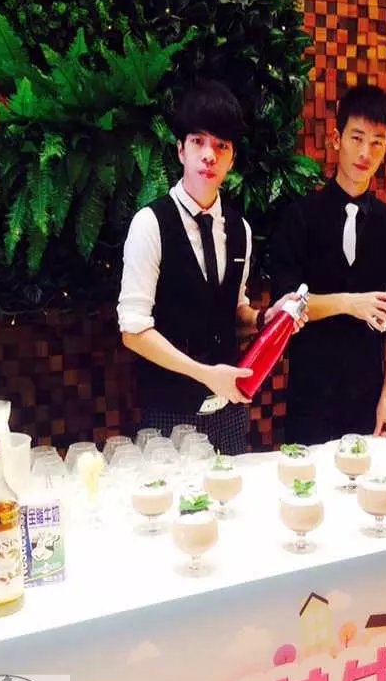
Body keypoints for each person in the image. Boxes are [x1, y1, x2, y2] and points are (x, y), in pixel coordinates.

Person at [118, 80, 304, 455]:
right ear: (180, 150)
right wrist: (205, 375)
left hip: (229, 410)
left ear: (232, 159)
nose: (209, 156)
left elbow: (234, 311)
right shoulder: (150, 224)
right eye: (198, 141)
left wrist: (267, 318)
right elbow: (133, 331)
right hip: (169, 411)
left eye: (221, 146)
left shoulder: (240, 230)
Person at [270, 83, 386, 445]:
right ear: (337, 139)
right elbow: (286, 307)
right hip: (310, 397)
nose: (365, 152)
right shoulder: (301, 217)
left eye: (376, 142)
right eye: (357, 138)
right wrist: (350, 303)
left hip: (368, 399)